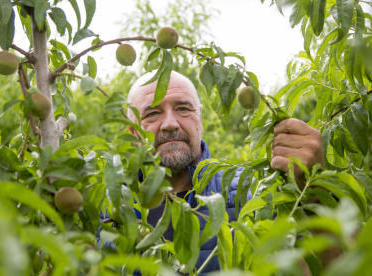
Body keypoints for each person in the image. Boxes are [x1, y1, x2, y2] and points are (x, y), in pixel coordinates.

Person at [125, 70, 324, 274]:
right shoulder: (109, 207)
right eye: (152, 114)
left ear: (200, 120)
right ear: (133, 132)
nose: (170, 124)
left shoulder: (254, 194)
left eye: (183, 108)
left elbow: (319, 266)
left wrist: (316, 191)